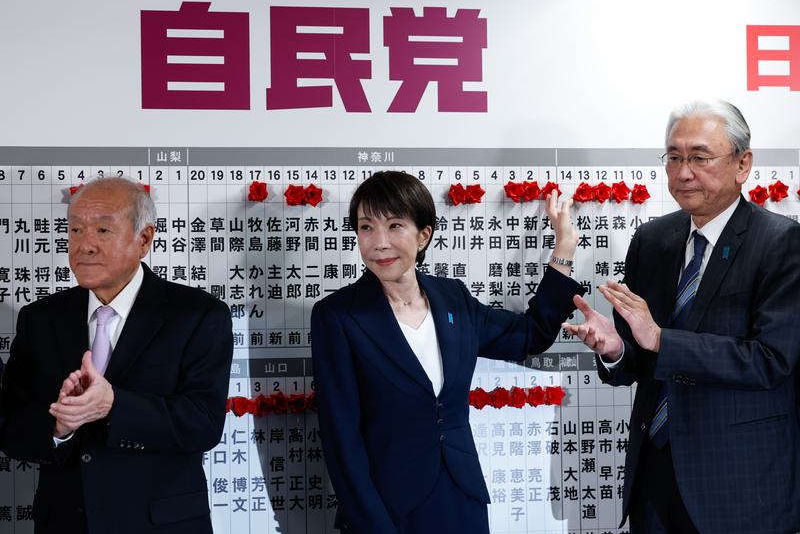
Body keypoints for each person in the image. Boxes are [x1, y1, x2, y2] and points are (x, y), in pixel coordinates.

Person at [564, 100, 800, 533]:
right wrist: (616, 351)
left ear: (742, 164)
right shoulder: (652, 239)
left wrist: (661, 339)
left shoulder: (781, 243)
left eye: (699, 157)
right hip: (654, 474)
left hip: (740, 481)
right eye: (674, 157)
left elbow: (771, 360)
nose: (683, 172)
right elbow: (642, 358)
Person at [311, 170, 584, 533]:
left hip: (462, 498)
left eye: (394, 226)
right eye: (366, 228)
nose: (379, 243)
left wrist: (564, 247)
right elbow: (341, 440)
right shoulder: (338, 316)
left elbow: (529, 336)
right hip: (389, 509)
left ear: (423, 235)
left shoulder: (453, 298)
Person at [0, 177, 234, 534]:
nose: (85, 245)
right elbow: (11, 426)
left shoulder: (198, 314)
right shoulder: (40, 318)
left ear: (144, 239)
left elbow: (202, 423)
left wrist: (113, 406)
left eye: (103, 230)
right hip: (65, 523)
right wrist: (59, 427)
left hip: (160, 524)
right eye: (76, 230)